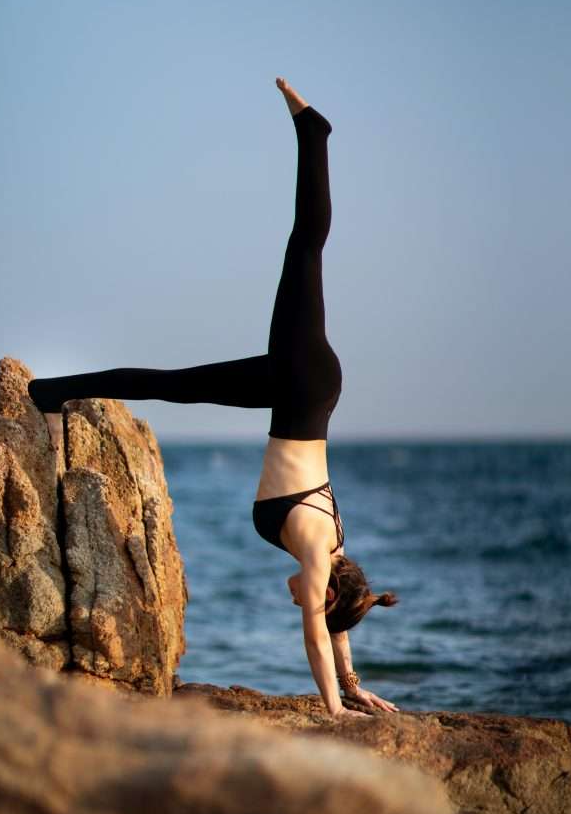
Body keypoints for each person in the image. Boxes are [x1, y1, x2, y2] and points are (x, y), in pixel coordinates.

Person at [28, 78, 400, 720]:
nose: (300, 602)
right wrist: (334, 709)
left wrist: (355, 680)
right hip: (300, 380)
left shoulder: (332, 550)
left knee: (173, 385)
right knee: (304, 245)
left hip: (298, 393)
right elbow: (319, 629)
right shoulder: (317, 554)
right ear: (327, 587)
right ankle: (315, 135)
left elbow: (336, 619)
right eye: (311, 598)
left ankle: (50, 393)